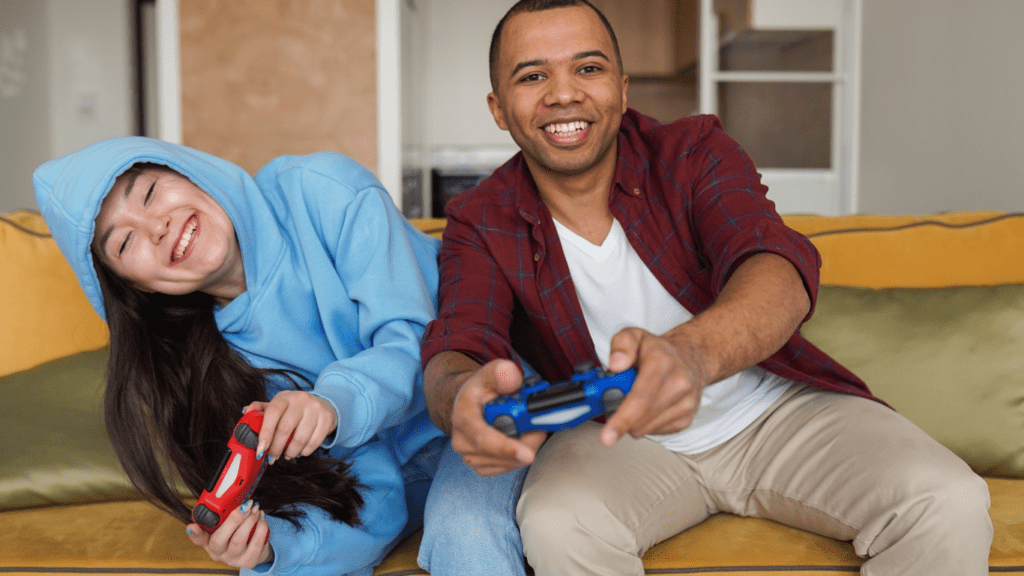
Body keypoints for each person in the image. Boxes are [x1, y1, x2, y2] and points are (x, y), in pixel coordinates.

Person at [419, 1, 994, 575]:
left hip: (773, 411)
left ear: (622, 87)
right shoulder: (479, 217)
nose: (563, 94)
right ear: (498, 108)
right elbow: (459, 344)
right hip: (616, 437)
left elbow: (776, 267)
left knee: (949, 501)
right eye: (533, 75)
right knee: (556, 524)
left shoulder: (693, 153)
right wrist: (460, 398)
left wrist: (689, 356)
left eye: (588, 69)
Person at [33, 136, 448, 576]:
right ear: (138, 287)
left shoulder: (321, 187)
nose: (156, 227)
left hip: (479, 415)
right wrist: (273, 547)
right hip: (417, 484)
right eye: (124, 243)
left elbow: (421, 341)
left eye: (150, 193)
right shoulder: (201, 369)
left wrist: (331, 403)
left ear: (188, 170)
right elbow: (367, 500)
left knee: (466, 537)